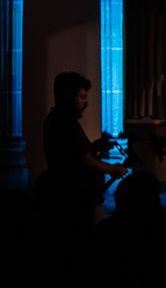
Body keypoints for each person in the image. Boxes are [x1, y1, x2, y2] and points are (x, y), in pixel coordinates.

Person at [40, 71, 128, 229]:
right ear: (67, 96)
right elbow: (84, 160)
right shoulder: (65, 123)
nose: (85, 103)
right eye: (81, 97)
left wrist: (94, 146)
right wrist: (113, 169)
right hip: (71, 199)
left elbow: (72, 152)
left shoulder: (55, 120)